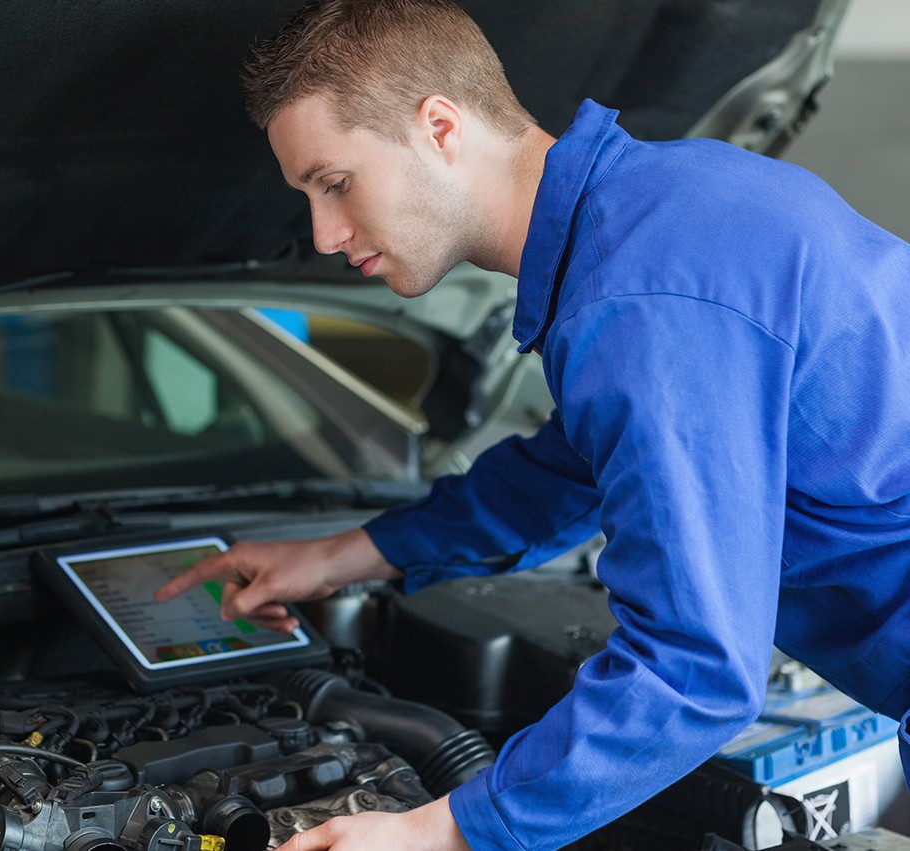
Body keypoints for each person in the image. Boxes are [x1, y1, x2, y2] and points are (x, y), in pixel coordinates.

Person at [152, 1, 910, 849]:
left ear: (438, 126)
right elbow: (577, 463)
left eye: (334, 183)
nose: (324, 234)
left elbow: (693, 673)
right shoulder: (657, 207)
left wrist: (445, 828)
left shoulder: (639, 300)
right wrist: (340, 556)